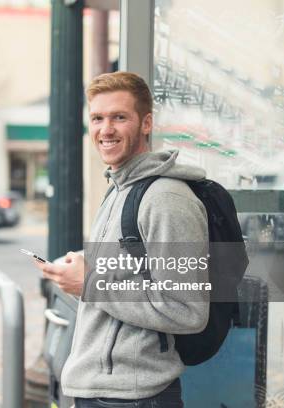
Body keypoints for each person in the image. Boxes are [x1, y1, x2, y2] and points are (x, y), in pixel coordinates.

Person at [34, 71, 210, 408]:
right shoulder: (119, 189)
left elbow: (187, 310)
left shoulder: (167, 200)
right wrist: (84, 269)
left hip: (134, 397)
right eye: (98, 118)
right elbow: (128, 275)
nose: (106, 129)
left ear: (146, 123)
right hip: (102, 392)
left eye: (119, 117)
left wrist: (89, 283)